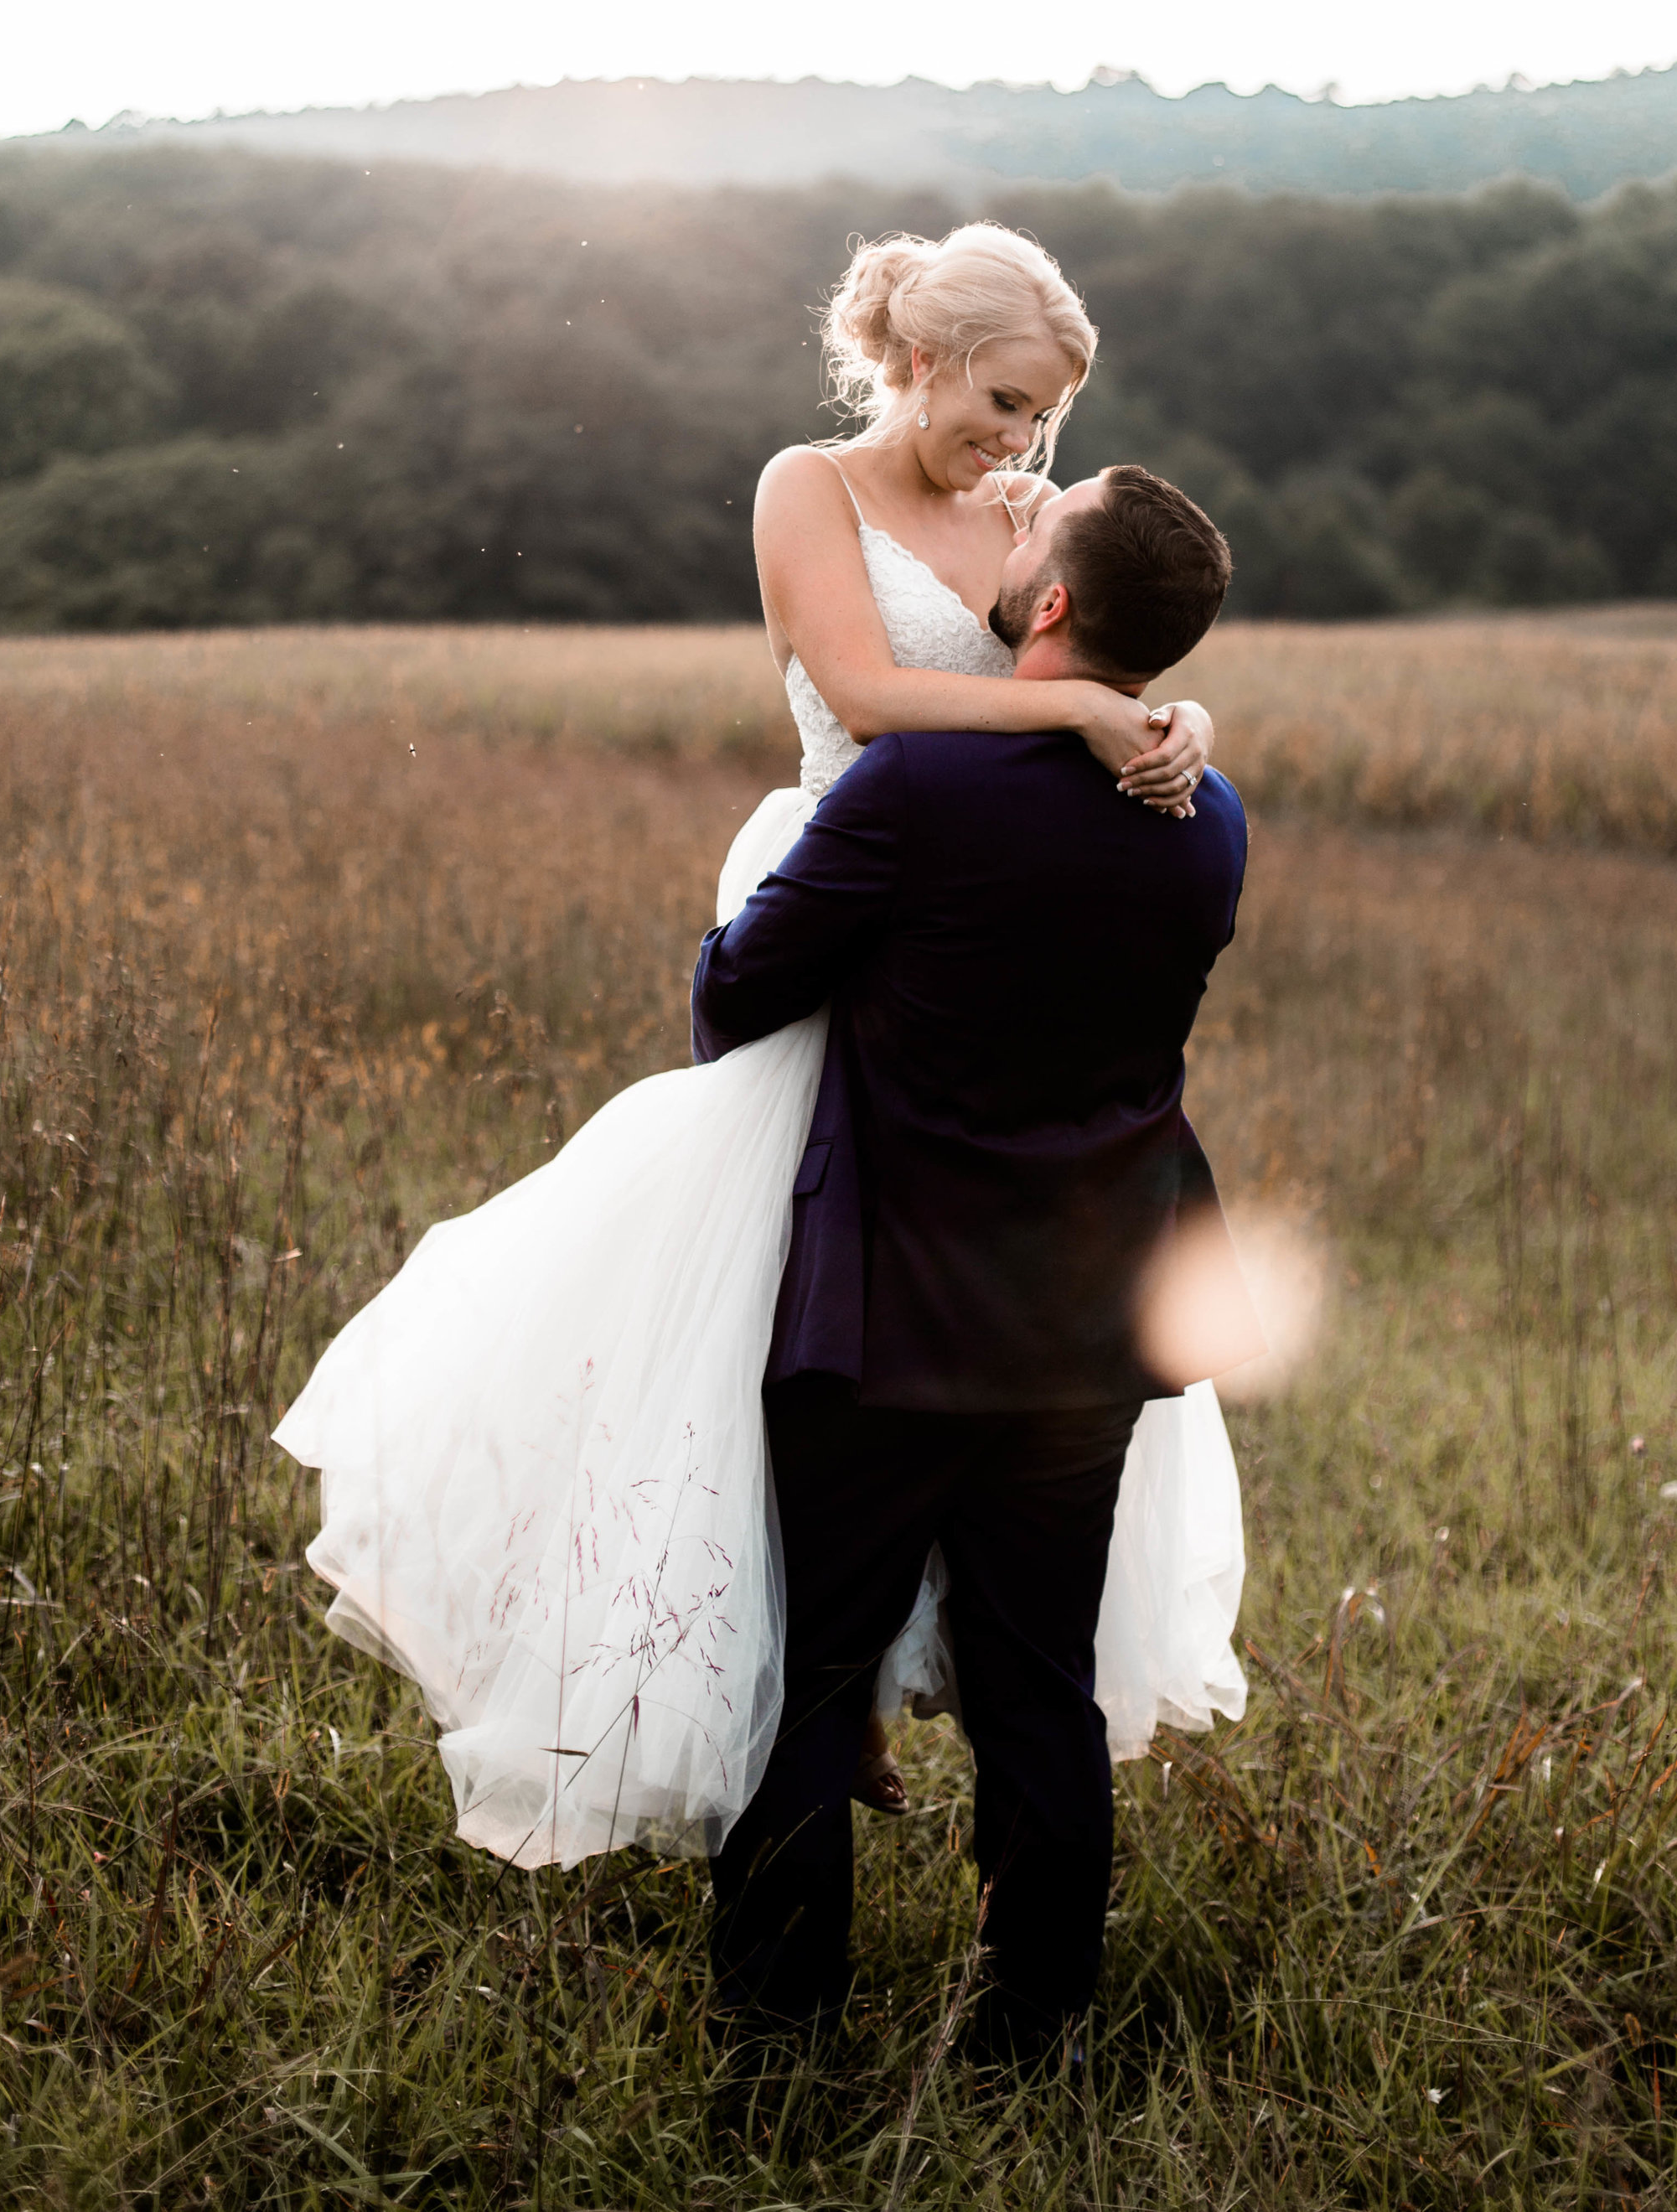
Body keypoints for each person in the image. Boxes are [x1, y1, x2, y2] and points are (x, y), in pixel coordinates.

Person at [272, 221, 1250, 1882]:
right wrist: (1078, 718)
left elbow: (1100, 635)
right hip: (834, 903)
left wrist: (1169, 716)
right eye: (1001, 403)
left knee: (925, 1342)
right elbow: (868, 694)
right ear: (921, 360)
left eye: (1040, 424)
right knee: (774, 1338)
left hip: (962, 950)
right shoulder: (810, 487)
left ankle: (871, 1694)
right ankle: (789, 1695)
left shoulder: (1027, 520)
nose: (1016, 447)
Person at [699, 457, 1255, 2063]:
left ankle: (777, 2042)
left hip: (884, 1311)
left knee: (809, 1680)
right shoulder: (1209, 820)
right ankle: (1031, 2034)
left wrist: (736, 916)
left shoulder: (910, 789)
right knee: (1038, 1685)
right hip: (1092, 1322)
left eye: (1038, 528)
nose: (1010, 526)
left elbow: (744, 996)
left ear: (1056, 604)